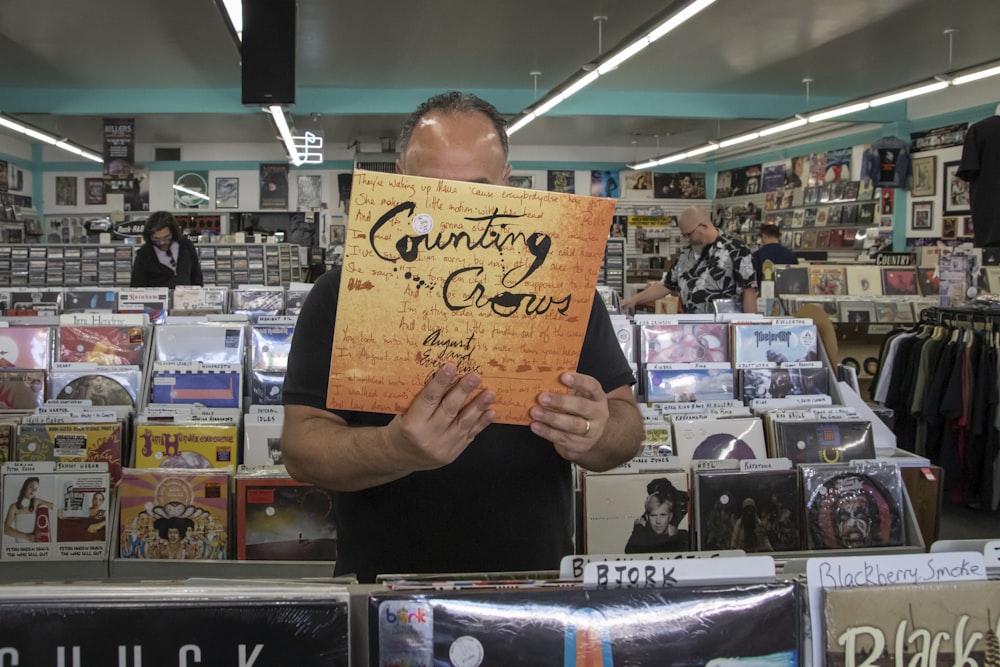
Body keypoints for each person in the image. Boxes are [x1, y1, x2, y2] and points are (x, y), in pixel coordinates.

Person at [280, 91, 644, 583]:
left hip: (531, 584)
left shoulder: (560, 289)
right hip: (385, 590)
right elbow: (301, 448)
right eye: (433, 188)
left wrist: (598, 432)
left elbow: (626, 430)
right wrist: (395, 450)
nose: (457, 209)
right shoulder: (340, 293)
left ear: (507, 183)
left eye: (478, 188)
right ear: (401, 177)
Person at [619, 207, 758, 314]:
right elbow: (666, 285)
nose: (686, 239)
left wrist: (749, 331)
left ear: (704, 226)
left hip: (724, 330)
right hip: (691, 331)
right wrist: (634, 300)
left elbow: (749, 292)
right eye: (683, 235)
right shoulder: (686, 254)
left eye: (688, 234)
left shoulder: (737, 250)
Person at [129, 211, 204, 288]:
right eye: (156, 239)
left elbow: (197, 278)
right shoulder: (144, 254)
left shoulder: (186, 246)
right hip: (157, 299)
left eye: (166, 237)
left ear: (173, 233)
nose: (162, 242)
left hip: (186, 297)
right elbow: (136, 287)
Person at [624, 477, 689, 553]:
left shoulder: (682, 535)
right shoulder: (644, 534)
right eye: (653, 515)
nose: (658, 520)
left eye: (663, 514)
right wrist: (638, 529)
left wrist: (674, 537)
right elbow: (630, 551)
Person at [3, 477, 53, 543]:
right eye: (31, 487)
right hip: (19, 546)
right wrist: (26, 536)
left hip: (36, 546)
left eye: (35, 489)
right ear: (24, 487)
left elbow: (53, 506)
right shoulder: (14, 506)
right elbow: (6, 529)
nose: (33, 491)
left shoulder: (36, 502)